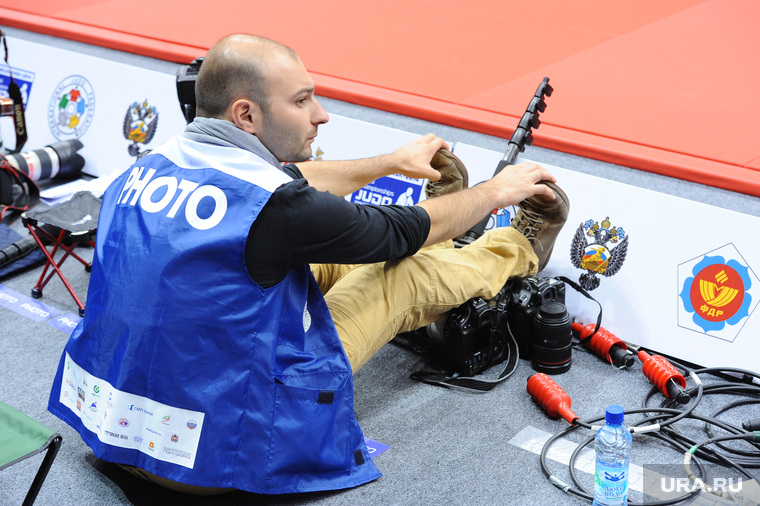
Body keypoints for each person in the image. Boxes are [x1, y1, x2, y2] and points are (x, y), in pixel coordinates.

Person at [47, 34, 569, 495]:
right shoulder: (281, 209)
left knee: (310, 258)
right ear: (246, 115)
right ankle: (520, 250)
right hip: (208, 459)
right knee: (395, 275)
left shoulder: (148, 166)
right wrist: (494, 192)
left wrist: (389, 162)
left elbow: (294, 184)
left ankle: (454, 246)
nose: (321, 114)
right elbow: (399, 231)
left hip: (113, 432)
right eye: (302, 100)